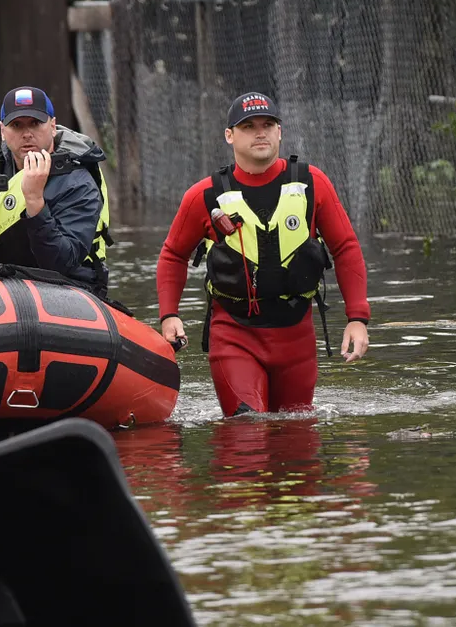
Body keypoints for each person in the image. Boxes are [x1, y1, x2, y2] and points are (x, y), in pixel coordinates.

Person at [156, 92, 370, 416]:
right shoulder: (204, 195)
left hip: (297, 339)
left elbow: (346, 248)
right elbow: (173, 255)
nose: (260, 132)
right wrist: (169, 314)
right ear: (229, 135)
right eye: (248, 126)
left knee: (297, 446)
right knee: (247, 437)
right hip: (234, 336)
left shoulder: (313, 184)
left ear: (280, 132)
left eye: (268, 124)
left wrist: (357, 318)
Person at [0, 86, 113, 296]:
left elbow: (63, 262)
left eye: (35, 124)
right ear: (2, 130)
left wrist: (35, 203)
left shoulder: (78, 182)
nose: (27, 134)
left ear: (52, 126)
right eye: (16, 125)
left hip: (64, 290)